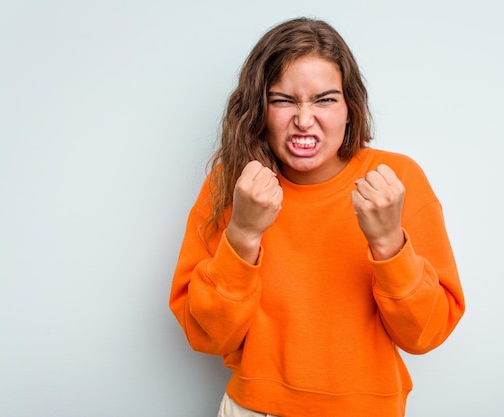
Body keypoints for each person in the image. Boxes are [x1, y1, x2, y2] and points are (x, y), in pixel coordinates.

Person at [169, 17, 465, 417]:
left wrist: (388, 243)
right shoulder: (232, 184)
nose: (304, 120)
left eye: (324, 99)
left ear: (349, 109)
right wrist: (242, 234)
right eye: (283, 100)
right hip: (255, 409)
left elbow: (425, 334)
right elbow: (206, 336)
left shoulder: (396, 181)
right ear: (259, 109)